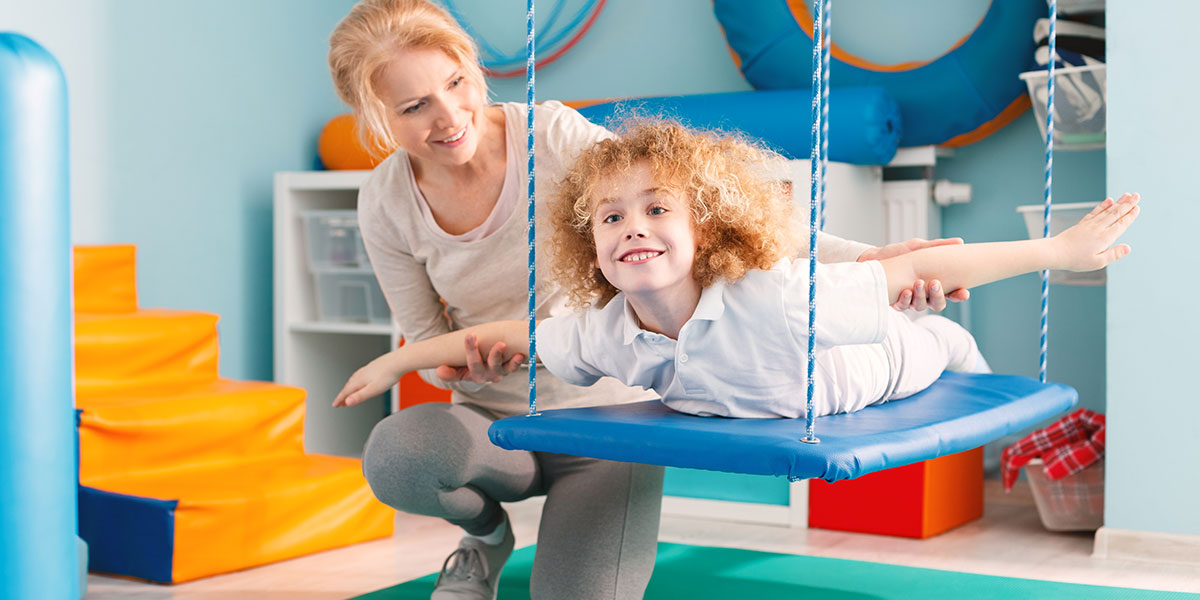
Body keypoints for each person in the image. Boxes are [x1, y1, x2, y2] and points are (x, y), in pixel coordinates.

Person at [328, 2, 966, 597]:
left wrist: (862, 257)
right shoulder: (384, 200)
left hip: (608, 420)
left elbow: (705, 209)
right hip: (493, 426)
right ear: (377, 117)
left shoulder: (550, 136)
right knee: (398, 455)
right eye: (414, 107)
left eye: (457, 84)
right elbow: (424, 339)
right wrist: (459, 361)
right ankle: (487, 537)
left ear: (473, 71)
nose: (449, 116)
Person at [333, 122, 1139, 422]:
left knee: (927, 341)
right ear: (590, 246)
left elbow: (922, 264)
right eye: (611, 218)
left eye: (657, 211)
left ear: (704, 229)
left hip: (869, 371)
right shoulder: (605, 332)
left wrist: (1059, 252)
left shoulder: (774, 296)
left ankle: (957, 351)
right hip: (770, 389)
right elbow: (510, 334)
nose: (632, 230)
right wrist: (397, 358)